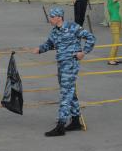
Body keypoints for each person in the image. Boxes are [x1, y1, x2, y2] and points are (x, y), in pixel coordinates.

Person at [28, 7, 96, 137]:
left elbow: (91, 38)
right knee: (70, 91)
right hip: (61, 64)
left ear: (59, 17)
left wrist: (84, 52)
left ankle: (61, 125)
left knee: (65, 93)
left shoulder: (72, 27)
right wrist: (40, 49)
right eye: (50, 16)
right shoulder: (54, 31)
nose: (50, 19)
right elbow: (49, 44)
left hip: (70, 64)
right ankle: (76, 121)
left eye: (52, 17)